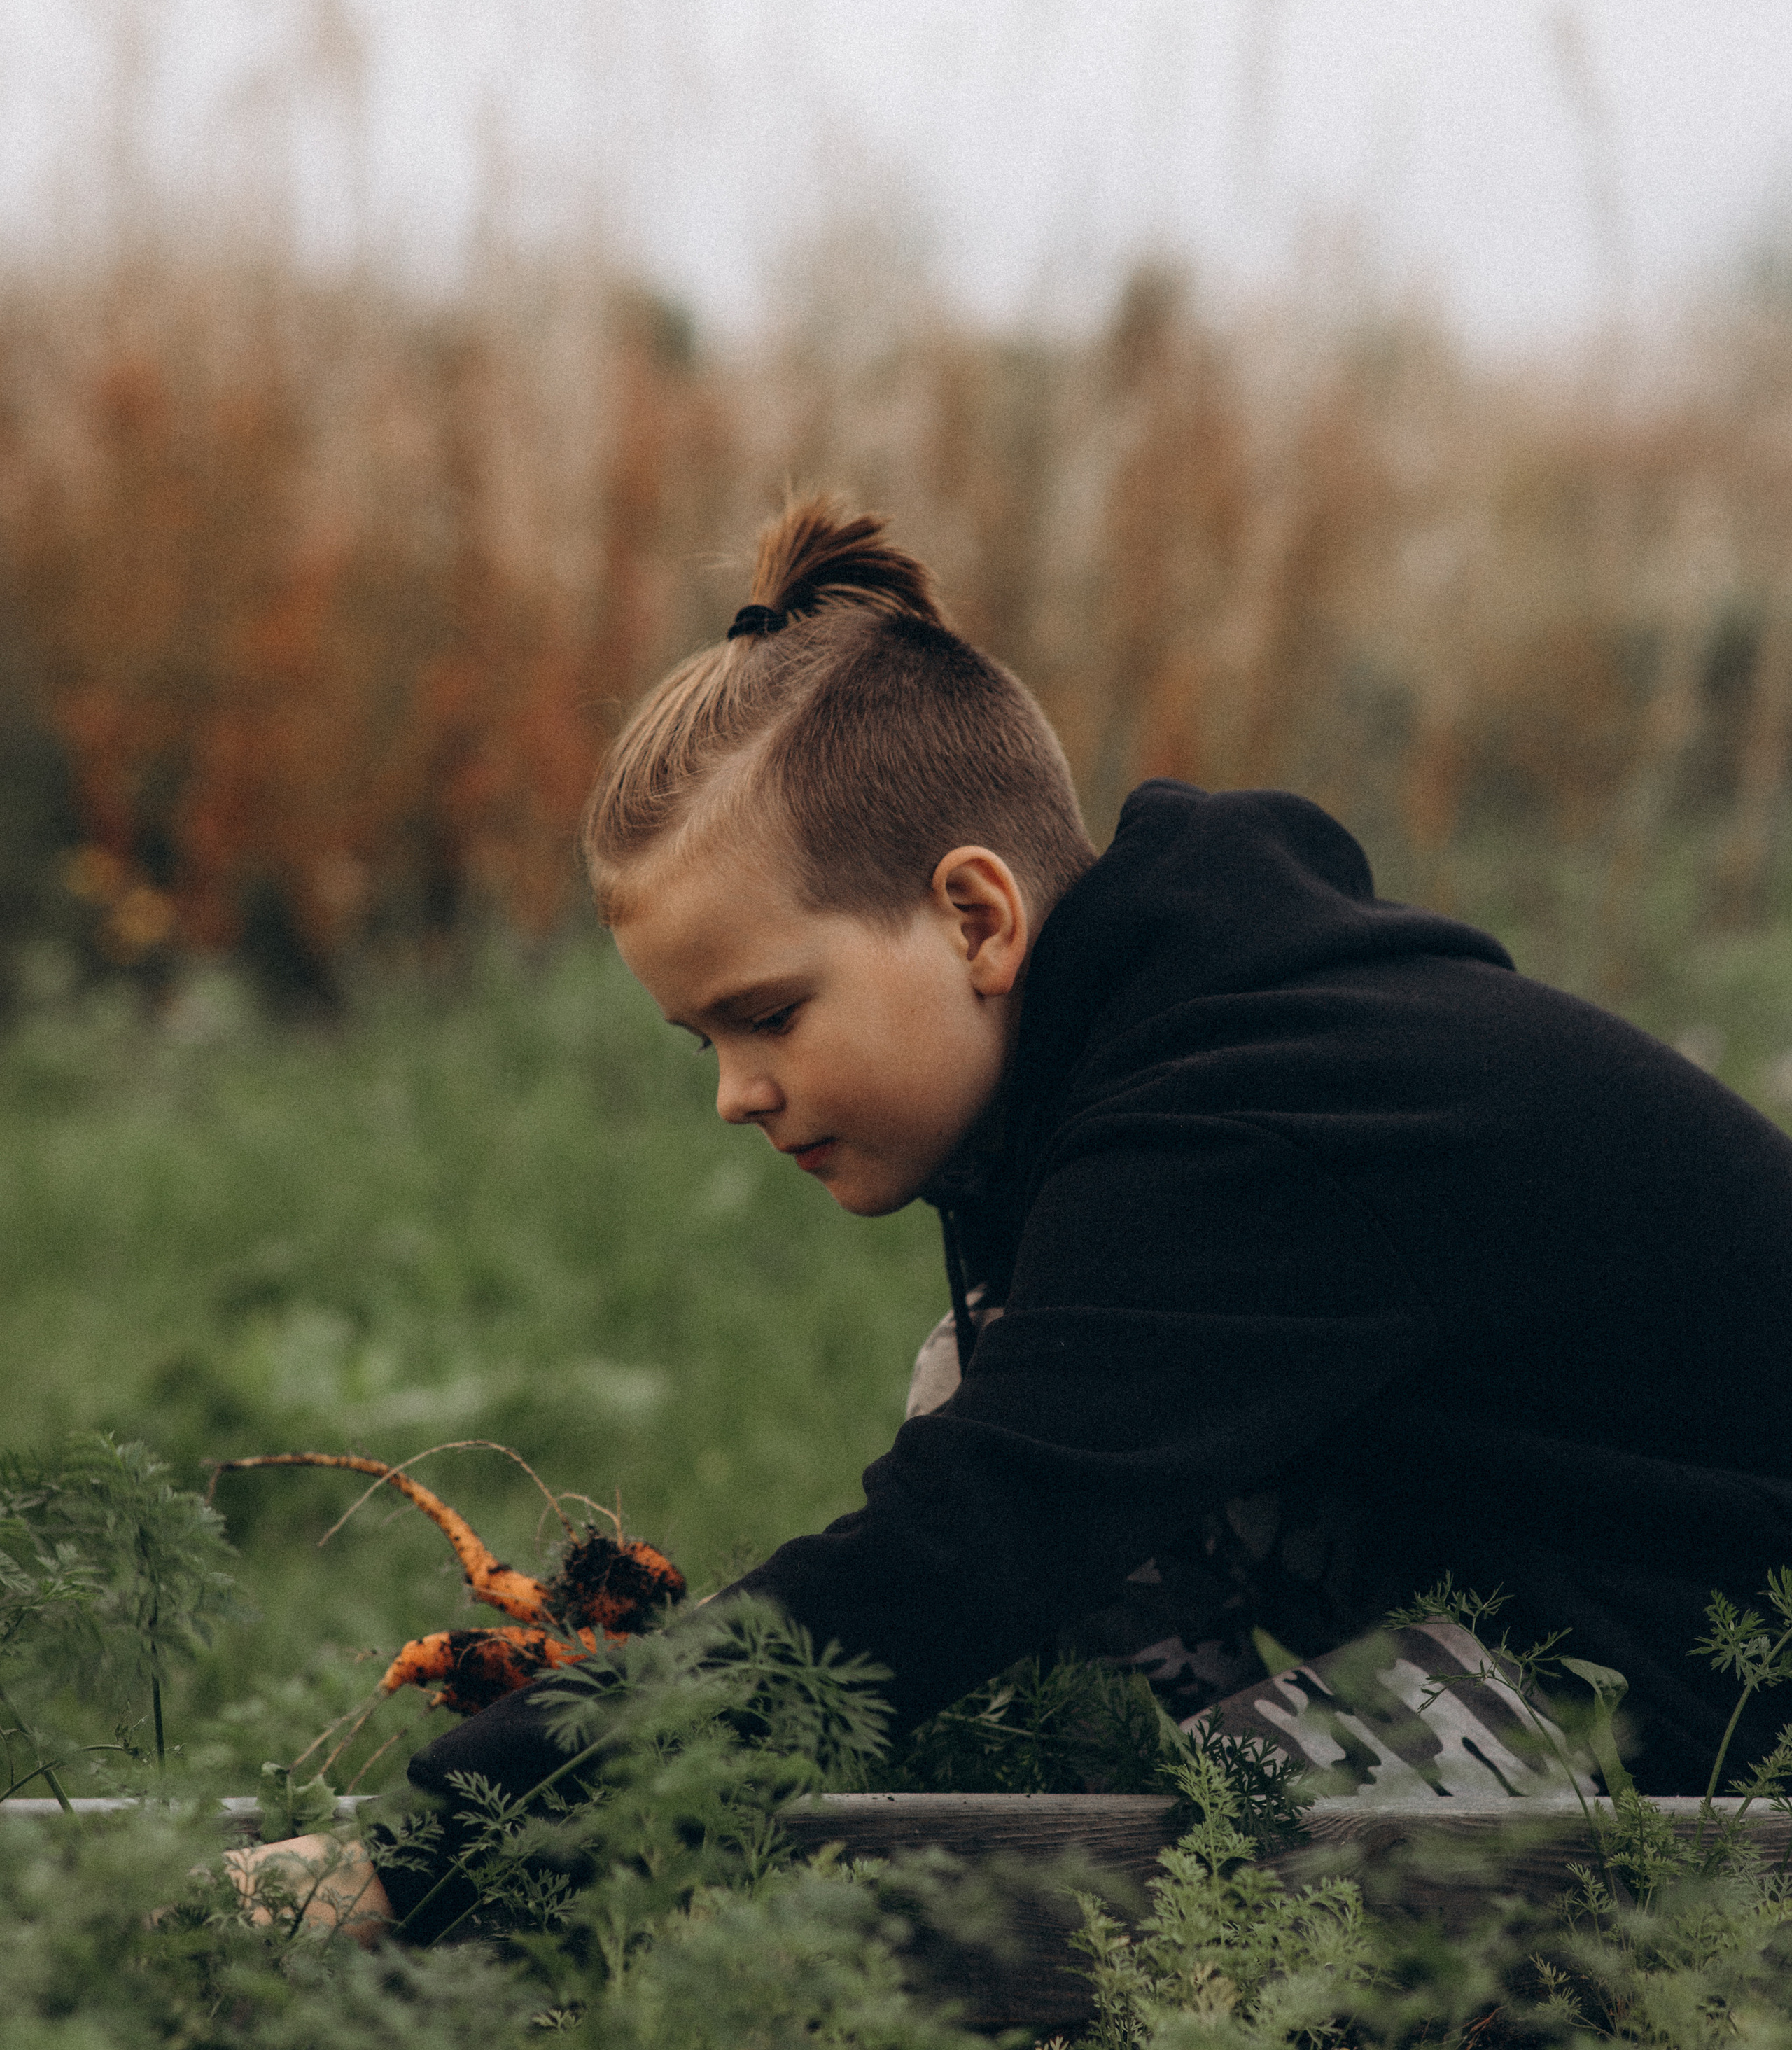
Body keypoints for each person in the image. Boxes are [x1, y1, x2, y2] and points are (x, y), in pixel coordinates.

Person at [246, 494, 1792, 1939]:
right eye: (702, 1042)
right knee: (980, 1393)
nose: (734, 1092)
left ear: (976, 917)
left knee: (1144, 1923)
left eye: (768, 1014)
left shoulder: (1244, 1127)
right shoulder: (1141, 1060)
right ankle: (1167, 1839)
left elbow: (952, 1561)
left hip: (1720, 1668)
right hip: (1565, 1582)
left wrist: (429, 1850)